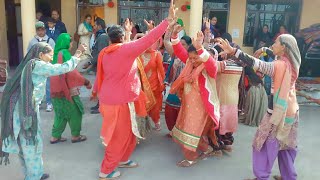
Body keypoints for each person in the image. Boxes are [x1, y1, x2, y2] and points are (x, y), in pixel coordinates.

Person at [91, 1, 177, 178]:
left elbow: (103, 71)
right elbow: (149, 39)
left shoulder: (106, 52)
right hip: (119, 102)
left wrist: (128, 33)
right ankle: (106, 170)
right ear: (122, 38)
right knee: (119, 136)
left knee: (131, 132)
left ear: (110, 39)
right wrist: (167, 21)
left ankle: (122, 159)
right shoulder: (125, 50)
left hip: (115, 100)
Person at [218, 34, 301, 180]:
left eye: (276, 43)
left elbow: (259, 65)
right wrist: (264, 49)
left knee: (262, 145)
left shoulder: (279, 65)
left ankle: (261, 177)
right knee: (286, 146)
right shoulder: (294, 63)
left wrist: (234, 51)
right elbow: (272, 53)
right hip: (292, 112)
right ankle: (289, 176)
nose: (273, 45)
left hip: (277, 113)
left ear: (284, 47)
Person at [0, 42, 86, 180]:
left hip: (19, 108)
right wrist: (78, 54)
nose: (52, 56)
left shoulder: (28, 64)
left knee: (25, 145)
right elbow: (62, 68)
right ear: (40, 54)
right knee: (31, 144)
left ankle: (34, 174)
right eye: (50, 53)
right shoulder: (38, 65)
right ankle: (34, 176)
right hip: (26, 111)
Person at [170, 27, 220, 167]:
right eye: (190, 58)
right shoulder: (189, 64)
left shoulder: (208, 68)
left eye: (195, 58)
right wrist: (174, 35)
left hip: (201, 108)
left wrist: (200, 48)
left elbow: (211, 64)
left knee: (191, 130)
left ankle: (191, 158)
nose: (192, 61)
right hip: (187, 106)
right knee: (193, 130)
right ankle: (207, 149)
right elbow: (180, 51)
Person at [50, 33, 91, 144]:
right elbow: (72, 72)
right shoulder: (64, 53)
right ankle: (75, 135)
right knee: (75, 112)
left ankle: (55, 136)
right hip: (66, 88)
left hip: (55, 89)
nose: (71, 44)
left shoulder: (55, 54)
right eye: (70, 41)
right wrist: (85, 82)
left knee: (60, 113)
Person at [163, 20, 191, 135]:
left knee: (183, 111)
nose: (181, 46)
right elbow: (165, 41)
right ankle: (173, 130)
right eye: (180, 43)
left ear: (189, 46)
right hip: (174, 87)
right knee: (169, 109)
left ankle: (181, 131)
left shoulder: (191, 58)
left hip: (186, 88)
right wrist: (170, 29)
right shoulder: (175, 54)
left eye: (184, 44)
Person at [27, 21, 56, 112]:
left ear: (45, 30)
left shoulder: (50, 41)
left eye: (42, 30)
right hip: (36, 66)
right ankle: (37, 102)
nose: (40, 32)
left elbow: (53, 53)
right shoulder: (32, 41)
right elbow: (29, 53)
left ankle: (49, 103)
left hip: (46, 66)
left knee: (48, 85)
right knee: (36, 85)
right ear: (36, 31)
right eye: (38, 30)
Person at [137, 46, 165, 131]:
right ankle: (144, 125)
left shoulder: (156, 54)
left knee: (155, 106)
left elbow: (161, 70)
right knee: (143, 104)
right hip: (142, 85)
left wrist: (163, 83)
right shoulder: (138, 54)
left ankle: (157, 122)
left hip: (154, 85)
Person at [88, 17, 110, 114]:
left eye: (95, 25)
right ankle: (99, 104)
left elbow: (101, 53)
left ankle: (101, 105)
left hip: (101, 65)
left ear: (99, 26)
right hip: (99, 65)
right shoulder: (99, 35)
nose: (94, 27)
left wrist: (91, 62)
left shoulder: (102, 37)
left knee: (101, 86)